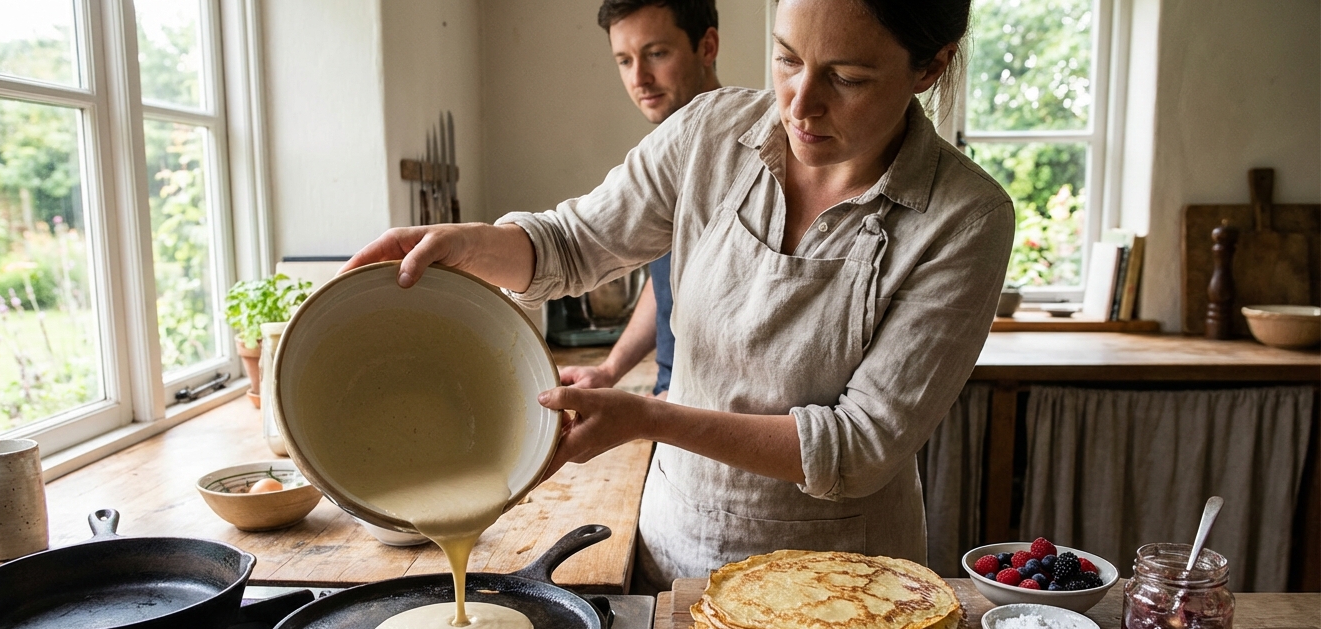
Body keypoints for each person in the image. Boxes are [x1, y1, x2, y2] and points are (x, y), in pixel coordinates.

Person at [344, 0, 1014, 594]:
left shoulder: (965, 218)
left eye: (846, 78)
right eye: (787, 58)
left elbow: (857, 447)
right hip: (678, 551)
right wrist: (468, 244)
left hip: (843, 584)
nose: (799, 103)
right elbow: (574, 243)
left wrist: (649, 417)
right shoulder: (712, 132)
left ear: (930, 66)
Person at [559, 0, 722, 398]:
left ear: (707, 46)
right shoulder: (665, 155)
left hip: (702, 411)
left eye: (656, 54)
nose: (639, 78)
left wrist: (681, 411)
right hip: (669, 397)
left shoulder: (741, 157)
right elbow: (667, 280)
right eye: (624, 60)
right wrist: (609, 369)